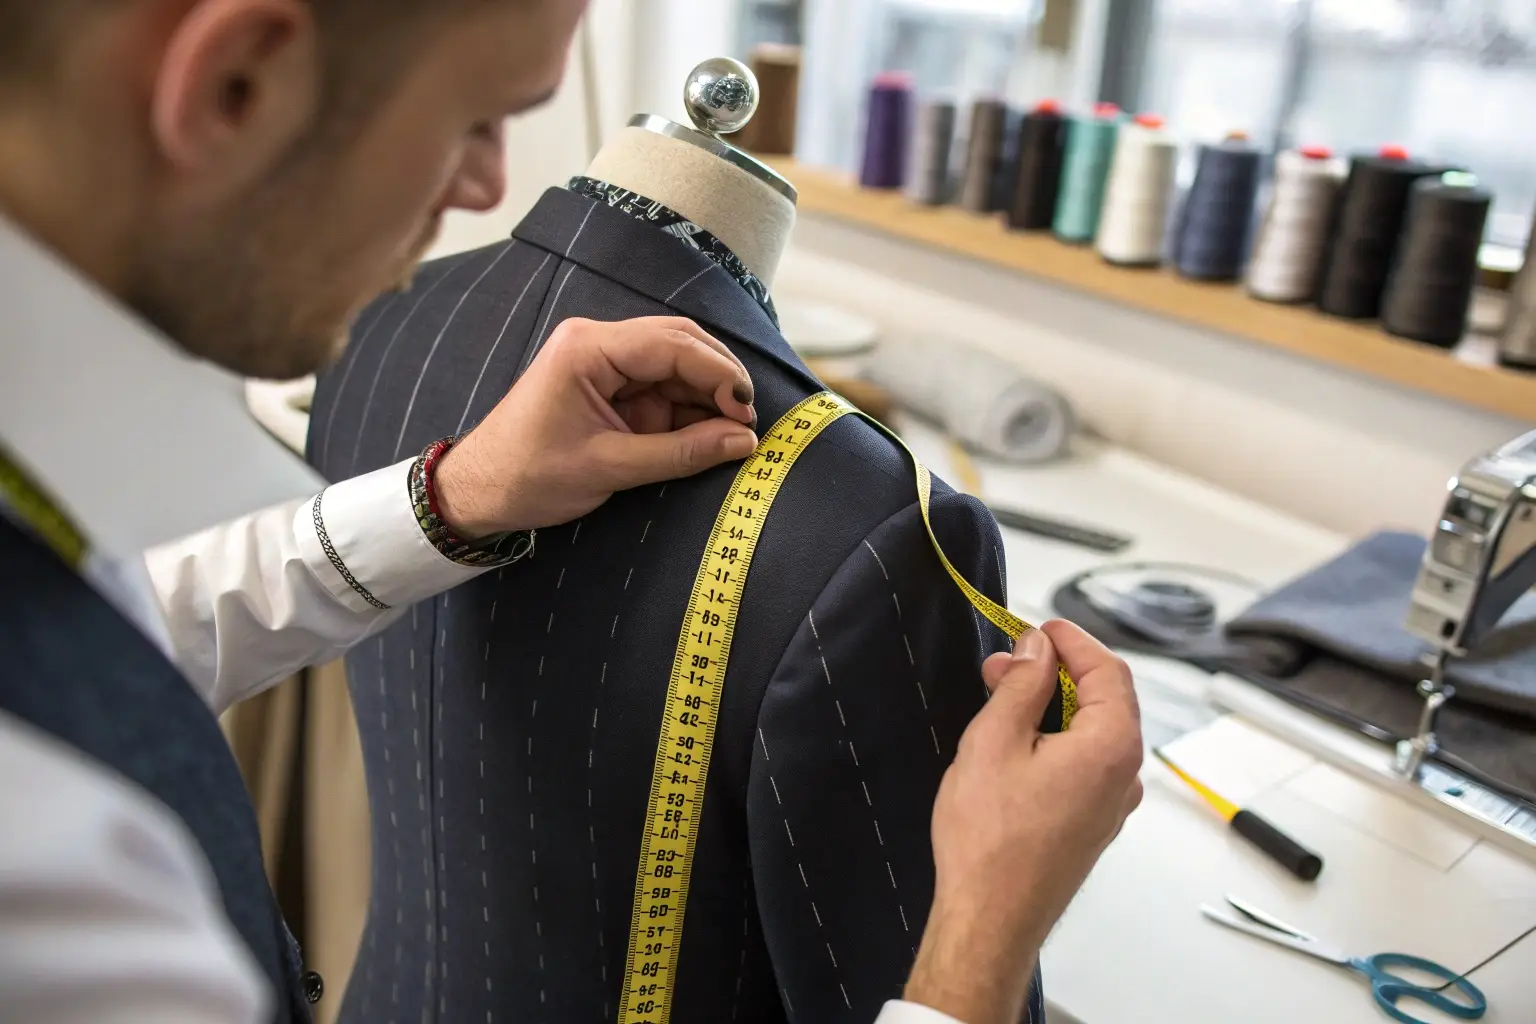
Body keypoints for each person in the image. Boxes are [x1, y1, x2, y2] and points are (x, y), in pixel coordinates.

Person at [0, 1, 1144, 1022]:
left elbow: (127, 632)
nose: (491, 184)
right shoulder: (57, 905)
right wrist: (982, 942)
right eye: (479, 117)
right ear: (238, 81)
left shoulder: (378, 344)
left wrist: (446, 501)